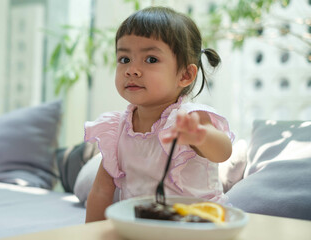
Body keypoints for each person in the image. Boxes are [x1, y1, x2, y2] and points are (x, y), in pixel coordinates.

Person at [84, 6, 234, 223]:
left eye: (151, 59)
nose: (132, 70)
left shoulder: (189, 119)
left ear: (185, 75)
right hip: (144, 226)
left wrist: (200, 136)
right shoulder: (116, 128)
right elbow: (100, 193)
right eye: (124, 59)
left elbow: (222, 152)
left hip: (198, 226)